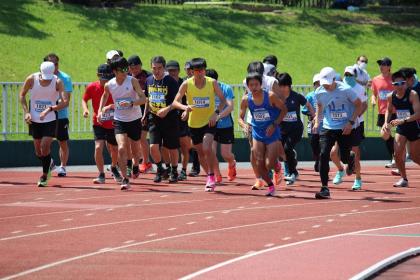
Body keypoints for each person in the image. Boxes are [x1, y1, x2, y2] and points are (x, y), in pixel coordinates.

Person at [172, 58, 228, 192]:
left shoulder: (212, 82)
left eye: (202, 70)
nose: (199, 73)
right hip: (194, 123)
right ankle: (210, 175)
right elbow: (175, 102)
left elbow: (222, 100)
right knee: (201, 152)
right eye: (196, 70)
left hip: (209, 121)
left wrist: (216, 113)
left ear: (205, 70)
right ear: (192, 71)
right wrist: (185, 108)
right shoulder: (186, 84)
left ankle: (211, 176)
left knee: (207, 147)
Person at [98, 57, 146, 190]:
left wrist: (131, 103)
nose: (125, 72)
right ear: (114, 71)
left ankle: (136, 165)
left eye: (127, 69)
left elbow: (143, 99)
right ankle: (125, 178)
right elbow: (105, 95)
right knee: (121, 148)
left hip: (135, 119)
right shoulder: (110, 84)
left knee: (135, 149)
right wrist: (99, 111)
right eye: (122, 70)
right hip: (119, 120)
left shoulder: (133, 81)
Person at [313, 67, 361, 199]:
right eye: (323, 83)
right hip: (328, 127)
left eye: (328, 82)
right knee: (323, 155)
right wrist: (317, 121)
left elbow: (359, 104)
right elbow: (319, 105)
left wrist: (351, 123)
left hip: (345, 127)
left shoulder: (346, 90)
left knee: (345, 158)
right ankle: (324, 188)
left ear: (334, 79)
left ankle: (350, 157)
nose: (326, 85)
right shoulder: (319, 91)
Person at [19, 62, 68, 187]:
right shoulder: (31, 79)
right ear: (40, 72)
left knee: (45, 146)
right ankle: (49, 163)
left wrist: (50, 109)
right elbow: (22, 95)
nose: (46, 80)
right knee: (39, 152)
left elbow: (65, 102)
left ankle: (44, 176)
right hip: (34, 119)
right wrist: (27, 112)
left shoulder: (58, 82)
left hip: (50, 119)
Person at [238, 72, 287, 196]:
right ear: (248, 86)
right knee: (259, 162)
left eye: (256, 84)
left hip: (271, 132)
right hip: (257, 132)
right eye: (251, 85)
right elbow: (240, 117)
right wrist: (244, 125)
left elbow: (284, 110)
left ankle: (276, 165)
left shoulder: (270, 96)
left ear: (261, 85)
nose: (254, 87)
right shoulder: (246, 99)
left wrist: (274, 124)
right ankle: (270, 185)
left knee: (268, 164)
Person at [82, 64, 122, 184]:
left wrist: (111, 107)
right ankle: (101, 174)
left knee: (114, 149)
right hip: (98, 122)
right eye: (102, 78)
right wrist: (85, 109)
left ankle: (114, 167)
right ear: (98, 76)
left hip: (113, 122)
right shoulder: (92, 87)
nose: (105, 81)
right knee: (98, 147)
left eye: (107, 78)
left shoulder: (115, 87)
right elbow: (84, 99)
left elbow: (122, 102)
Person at [330, 66, 368, 190]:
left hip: (355, 123)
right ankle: (340, 170)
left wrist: (355, 117)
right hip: (340, 123)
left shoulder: (359, 88)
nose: (348, 77)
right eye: (346, 74)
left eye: (350, 75)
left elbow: (364, 104)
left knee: (355, 153)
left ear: (355, 76)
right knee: (333, 153)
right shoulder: (339, 86)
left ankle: (358, 179)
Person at [143, 56, 181, 183]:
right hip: (154, 118)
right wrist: (144, 115)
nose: (156, 71)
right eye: (154, 68)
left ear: (164, 68)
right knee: (153, 146)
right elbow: (148, 98)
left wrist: (167, 109)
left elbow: (177, 101)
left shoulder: (170, 81)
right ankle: (160, 169)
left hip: (170, 118)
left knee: (171, 147)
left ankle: (174, 171)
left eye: (159, 68)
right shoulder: (148, 80)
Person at [382, 70, 420, 187]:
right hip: (401, 128)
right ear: (393, 84)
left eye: (402, 83)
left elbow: (418, 114)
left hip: (414, 127)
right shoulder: (391, 96)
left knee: (415, 157)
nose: (400, 86)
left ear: (406, 83)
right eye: (397, 84)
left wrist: (403, 120)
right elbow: (388, 110)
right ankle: (404, 179)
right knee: (397, 154)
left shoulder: (412, 94)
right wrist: (385, 123)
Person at [277, 73, 315, 185]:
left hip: (295, 129)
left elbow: (308, 105)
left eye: (285, 86)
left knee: (287, 148)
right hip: (282, 130)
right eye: (280, 86)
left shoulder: (296, 96)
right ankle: (292, 160)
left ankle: (293, 173)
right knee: (281, 154)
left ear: (289, 86)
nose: (282, 89)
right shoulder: (276, 97)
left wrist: (314, 117)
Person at [205, 69, 237, 183]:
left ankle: (232, 163)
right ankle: (217, 174)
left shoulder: (226, 88)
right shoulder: (203, 89)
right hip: (210, 126)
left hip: (225, 125)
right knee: (211, 151)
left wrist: (218, 116)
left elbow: (230, 107)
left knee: (226, 154)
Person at [43, 53, 71, 177]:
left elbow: (66, 99)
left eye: (56, 63)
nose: (55, 66)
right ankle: (50, 162)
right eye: (52, 64)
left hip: (61, 115)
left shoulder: (65, 78)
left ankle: (63, 167)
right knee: (42, 143)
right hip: (45, 116)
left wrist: (56, 104)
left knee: (62, 142)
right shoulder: (40, 77)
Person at [127, 55, 153, 173]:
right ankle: (135, 160)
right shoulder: (126, 77)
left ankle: (146, 162)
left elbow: (149, 93)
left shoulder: (148, 77)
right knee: (132, 138)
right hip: (130, 110)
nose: (134, 70)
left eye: (136, 67)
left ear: (141, 65)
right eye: (132, 68)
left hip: (144, 109)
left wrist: (141, 93)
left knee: (142, 137)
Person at [167, 60, 191, 181]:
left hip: (182, 118)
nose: (172, 73)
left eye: (174, 70)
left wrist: (186, 111)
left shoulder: (184, 83)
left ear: (178, 71)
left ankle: (184, 170)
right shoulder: (164, 83)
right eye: (170, 70)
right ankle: (171, 169)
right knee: (169, 146)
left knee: (184, 146)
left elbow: (189, 100)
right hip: (168, 118)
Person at [371, 57, 396, 168]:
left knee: (385, 133)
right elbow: (374, 93)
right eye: (380, 64)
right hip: (382, 111)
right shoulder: (376, 79)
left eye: (384, 64)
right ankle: (395, 156)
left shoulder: (395, 78)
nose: (381, 66)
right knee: (385, 135)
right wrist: (372, 99)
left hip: (394, 111)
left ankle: (396, 157)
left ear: (389, 67)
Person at [184, 60, 201, 177]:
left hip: (199, 115)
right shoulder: (184, 82)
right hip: (186, 114)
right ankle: (197, 163)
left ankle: (196, 167)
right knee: (188, 144)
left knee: (195, 143)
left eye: (191, 69)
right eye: (187, 69)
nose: (189, 71)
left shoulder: (201, 81)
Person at [302, 73, 321, 172]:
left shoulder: (326, 95)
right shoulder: (309, 96)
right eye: (316, 83)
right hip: (312, 125)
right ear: (314, 85)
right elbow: (304, 109)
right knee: (314, 143)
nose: (318, 85)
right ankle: (317, 158)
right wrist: (311, 115)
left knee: (323, 144)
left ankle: (322, 160)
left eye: (320, 83)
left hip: (324, 125)